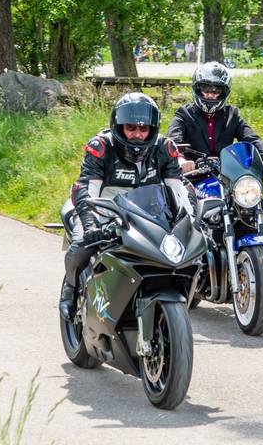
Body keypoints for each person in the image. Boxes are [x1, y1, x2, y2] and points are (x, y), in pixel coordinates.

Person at [59, 92, 193, 318]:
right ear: (119, 126)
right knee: (83, 242)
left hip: (148, 213)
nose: (138, 135)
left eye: (144, 129)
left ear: (153, 128)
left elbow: (178, 191)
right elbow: (86, 188)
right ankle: (70, 290)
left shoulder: (165, 148)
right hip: (103, 210)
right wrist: (91, 226)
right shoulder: (101, 147)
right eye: (131, 128)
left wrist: (191, 224)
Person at [167, 61, 263, 176]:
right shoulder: (184, 114)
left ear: (224, 92)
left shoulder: (232, 114)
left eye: (216, 90)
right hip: (191, 174)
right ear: (197, 89)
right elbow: (173, 140)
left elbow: (251, 138)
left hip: (225, 173)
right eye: (205, 88)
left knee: (250, 195)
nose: (210, 94)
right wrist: (180, 159)